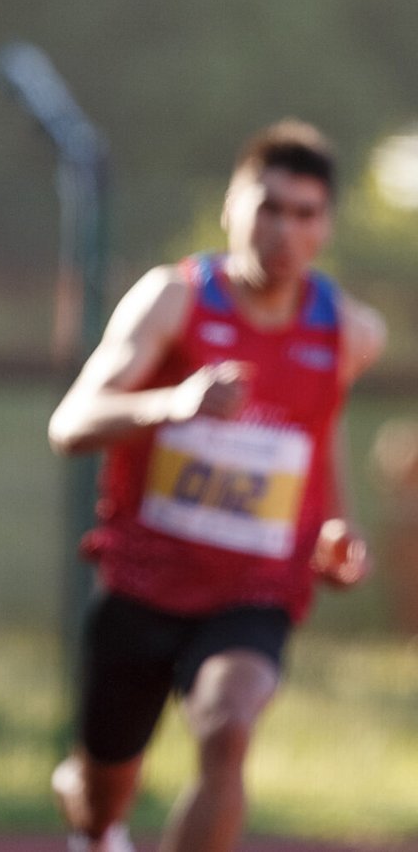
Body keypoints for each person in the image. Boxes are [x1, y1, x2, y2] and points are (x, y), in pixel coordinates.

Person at [45, 119, 386, 852]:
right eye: (268, 208)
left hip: (254, 589)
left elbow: (319, 433)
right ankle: (91, 807)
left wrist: (338, 527)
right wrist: (173, 403)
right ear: (232, 207)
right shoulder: (173, 300)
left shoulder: (348, 332)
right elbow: (71, 423)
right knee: (104, 799)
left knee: (229, 729)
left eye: (305, 214)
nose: (284, 232)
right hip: (142, 584)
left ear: (326, 226)